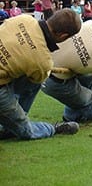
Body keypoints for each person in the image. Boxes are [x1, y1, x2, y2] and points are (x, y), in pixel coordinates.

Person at [0, 9, 81, 140]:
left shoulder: (24, 18)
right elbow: (34, 81)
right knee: (26, 131)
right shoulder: (43, 61)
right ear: (63, 36)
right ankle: (52, 128)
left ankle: (11, 121)